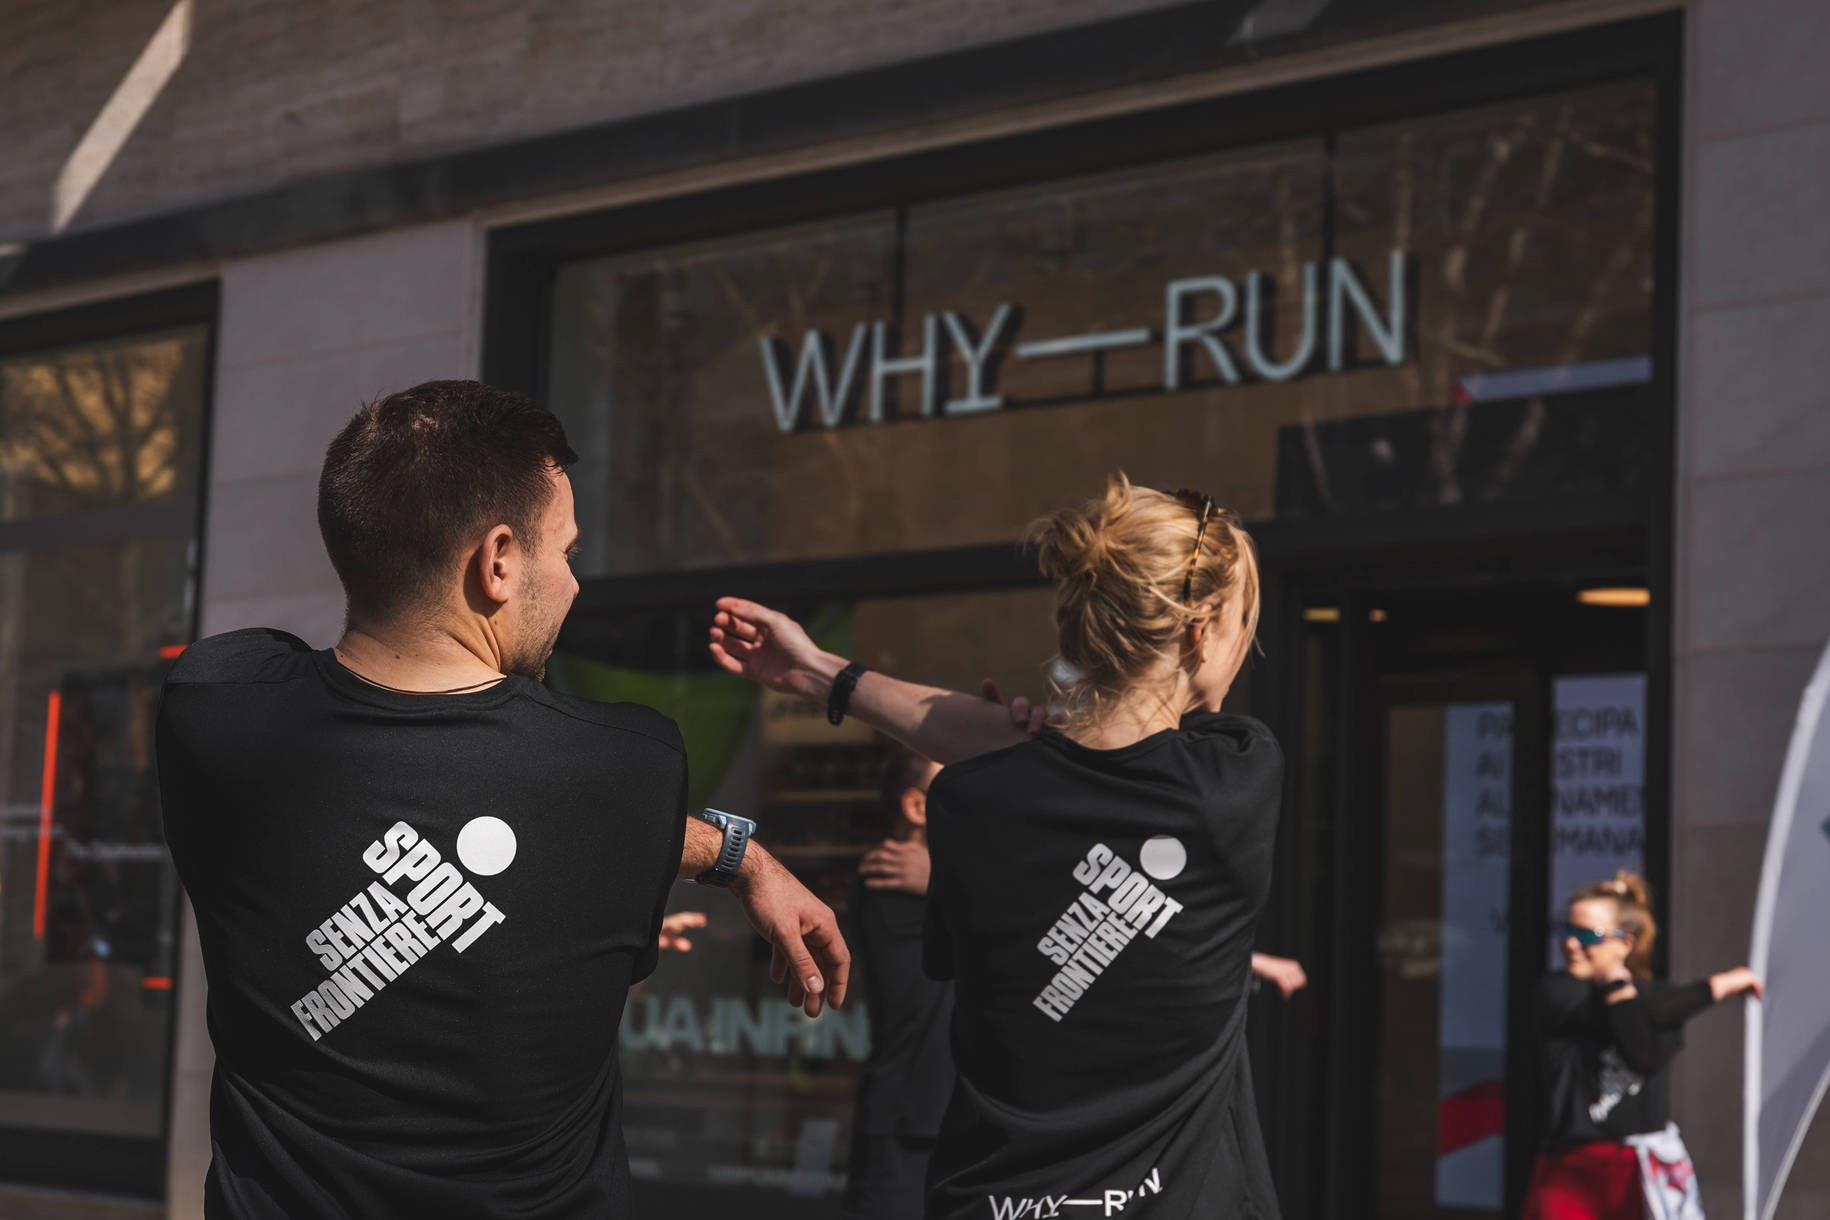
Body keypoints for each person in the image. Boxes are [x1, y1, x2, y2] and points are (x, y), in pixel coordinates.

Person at [156, 380, 848, 1219]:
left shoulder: (214, 705)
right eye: (567, 552)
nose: (574, 584)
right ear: (498, 561)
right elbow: (577, 821)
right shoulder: (624, 767)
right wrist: (743, 859)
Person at [710, 474, 1285, 1219]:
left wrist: (822, 673)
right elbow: (1082, 752)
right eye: (1240, 623)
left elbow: (1045, 757)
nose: (1244, 646)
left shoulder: (969, 799)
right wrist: (823, 674)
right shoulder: (1237, 777)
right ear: (1199, 632)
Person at [1524, 870, 1762, 1220]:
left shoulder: (1660, 1003)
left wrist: (1621, 993)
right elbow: (1651, 1009)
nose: (1571, 944)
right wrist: (1717, 987)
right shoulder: (1557, 991)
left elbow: (1644, 1055)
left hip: (1636, 1172)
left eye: (1587, 935)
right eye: (1566, 930)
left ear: (1625, 943)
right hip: (1569, 1168)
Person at [841, 747, 955, 1220]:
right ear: (917, 807)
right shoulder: (887, 879)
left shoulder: (945, 883)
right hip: (909, 1129)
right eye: (958, 785)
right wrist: (943, 884)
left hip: (944, 1119)